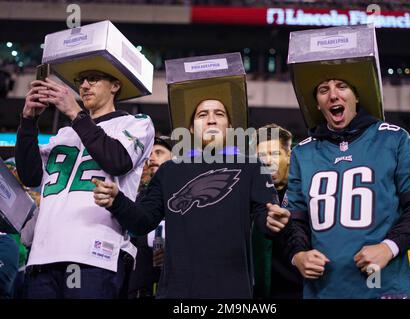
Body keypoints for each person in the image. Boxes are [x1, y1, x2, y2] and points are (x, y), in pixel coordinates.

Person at [93, 98, 290, 298]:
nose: (211, 119)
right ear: (192, 129)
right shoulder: (169, 171)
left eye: (219, 114)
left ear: (230, 128)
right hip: (177, 292)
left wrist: (273, 220)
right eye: (202, 114)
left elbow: (265, 215)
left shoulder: (252, 167)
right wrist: (118, 201)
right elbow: (142, 222)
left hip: (233, 291)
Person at [281, 78, 410, 299]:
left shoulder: (394, 138)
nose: (333, 95)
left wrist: (388, 247)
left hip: (383, 287)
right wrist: (299, 254)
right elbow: (295, 219)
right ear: (317, 103)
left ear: (357, 96)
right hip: (323, 291)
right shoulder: (302, 153)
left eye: (342, 87)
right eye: (324, 90)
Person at [15, 68, 154, 298]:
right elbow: (30, 177)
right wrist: (28, 121)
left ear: (115, 85)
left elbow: (117, 161)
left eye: (94, 79)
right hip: (43, 256)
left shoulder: (135, 123)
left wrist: (75, 113)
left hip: (92, 255)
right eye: (80, 80)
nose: (85, 85)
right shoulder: (64, 134)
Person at [251, 124, 303, 299]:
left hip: (301, 290)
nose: (266, 161)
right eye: (260, 156)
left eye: (274, 153)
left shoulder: (307, 193)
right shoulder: (251, 198)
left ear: (289, 156)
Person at [128, 136, 173, 299]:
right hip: (138, 288)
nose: (152, 158)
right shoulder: (135, 197)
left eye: (159, 153)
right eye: (150, 154)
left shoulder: (184, 198)